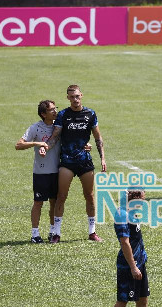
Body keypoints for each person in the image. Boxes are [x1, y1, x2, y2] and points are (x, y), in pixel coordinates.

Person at [40, 84, 107, 243]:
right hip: (67, 162)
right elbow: (55, 136)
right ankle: (56, 233)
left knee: (89, 196)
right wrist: (46, 147)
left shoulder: (90, 114)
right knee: (61, 196)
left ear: (81, 95)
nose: (75, 99)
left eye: (77, 96)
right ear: (68, 98)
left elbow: (98, 138)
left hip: (85, 161)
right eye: (72, 97)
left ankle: (92, 232)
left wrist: (103, 158)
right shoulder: (63, 115)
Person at [107, 188, 157, 307]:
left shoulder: (133, 213)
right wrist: (133, 267)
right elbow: (125, 242)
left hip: (140, 263)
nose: (144, 202)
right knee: (122, 302)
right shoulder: (122, 215)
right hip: (129, 266)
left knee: (142, 300)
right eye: (142, 198)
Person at [15, 100, 59, 243]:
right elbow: (18, 145)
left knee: (54, 202)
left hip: (57, 171)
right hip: (41, 173)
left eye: (55, 108)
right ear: (43, 114)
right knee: (38, 203)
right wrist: (36, 143)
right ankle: (35, 234)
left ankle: (53, 232)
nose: (55, 111)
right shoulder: (35, 128)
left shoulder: (59, 126)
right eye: (51, 110)